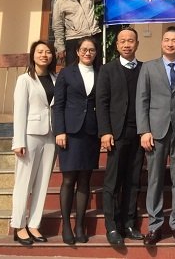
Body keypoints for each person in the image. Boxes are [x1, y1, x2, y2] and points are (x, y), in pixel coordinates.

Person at [136, 26, 175, 245]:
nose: (170, 44)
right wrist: (144, 130)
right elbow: (142, 100)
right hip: (155, 131)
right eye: (167, 40)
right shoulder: (149, 67)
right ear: (162, 43)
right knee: (155, 179)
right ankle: (155, 226)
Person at [95, 28, 144, 246]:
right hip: (116, 133)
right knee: (113, 181)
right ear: (117, 45)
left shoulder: (144, 69)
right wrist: (105, 131)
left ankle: (129, 223)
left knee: (133, 180)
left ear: (137, 44)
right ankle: (112, 226)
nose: (126, 45)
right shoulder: (107, 70)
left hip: (139, 133)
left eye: (130, 41)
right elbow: (101, 102)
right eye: (122, 41)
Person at [52, 36, 101, 245]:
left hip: (91, 132)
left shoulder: (100, 73)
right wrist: (59, 131)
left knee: (84, 180)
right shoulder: (66, 73)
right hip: (70, 133)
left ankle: (80, 225)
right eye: (84, 49)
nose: (88, 53)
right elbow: (58, 105)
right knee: (68, 179)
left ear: (96, 53)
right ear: (78, 52)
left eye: (92, 50)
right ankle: (66, 225)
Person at [10, 40, 57, 245]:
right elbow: (19, 111)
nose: (44, 55)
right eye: (40, 51)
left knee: (43, 182)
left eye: (48, 52)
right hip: (30, 135)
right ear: (33, 55)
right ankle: (19, 225)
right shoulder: (25, 79)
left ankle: (34, 224)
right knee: (24, 182)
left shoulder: (56, 78)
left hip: (51, 135)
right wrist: (18, 141)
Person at [52, 0, 103, 67]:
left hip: (92, 37)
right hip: (74, 39)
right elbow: (57, 25)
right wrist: (60, 46)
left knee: (96, 70)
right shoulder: (61, 0)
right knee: (73, 71)